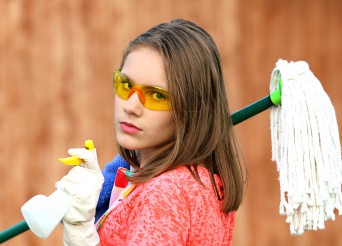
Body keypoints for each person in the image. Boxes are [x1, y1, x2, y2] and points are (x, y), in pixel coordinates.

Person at [56, 18, 245, 246]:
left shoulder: (165, 195)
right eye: (126, 85)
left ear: (192, 108)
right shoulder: (201, 182)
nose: (130, 106)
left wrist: (80, 235)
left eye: (156, 95)